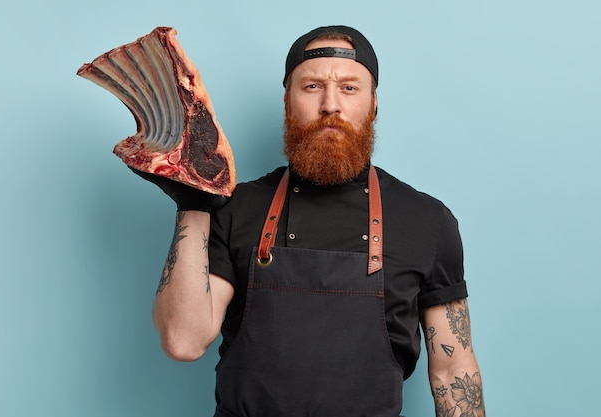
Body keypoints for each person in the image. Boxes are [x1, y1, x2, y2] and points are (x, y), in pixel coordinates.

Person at [136, 25, 485, 417]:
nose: (330, 104)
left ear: (373, 105)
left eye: (349, 88)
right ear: (288, 101)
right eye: (312, 86)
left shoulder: (427, 221)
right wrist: (192, 203)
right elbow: (183, 341)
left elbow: (453, 371)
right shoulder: (235, 208)